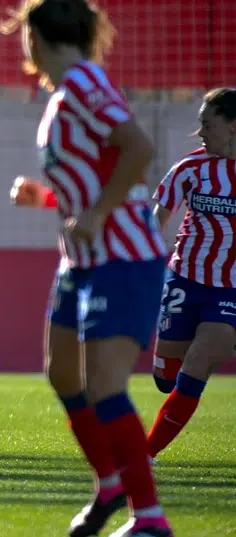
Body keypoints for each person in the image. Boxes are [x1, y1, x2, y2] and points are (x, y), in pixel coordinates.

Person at [3, 0, 172, 537]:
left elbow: (138, 148)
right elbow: (94, 173)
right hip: (82, 259)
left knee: (105, 387)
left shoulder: (83, 84)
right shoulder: (63, 95)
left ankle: (148, 517)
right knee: (64, 374)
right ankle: (110, 484)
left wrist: (97, 213)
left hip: (123, 256)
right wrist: (47, 197)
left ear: (35, 37)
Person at [145, 88, 236, 458]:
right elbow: (157, 220)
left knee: (198, 363)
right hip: (183, 280)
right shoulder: (189, 168)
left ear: (232, 126)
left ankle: (142, 458)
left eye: (207, 124)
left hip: (229, 290)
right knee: (166, 379)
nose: (200, 132)